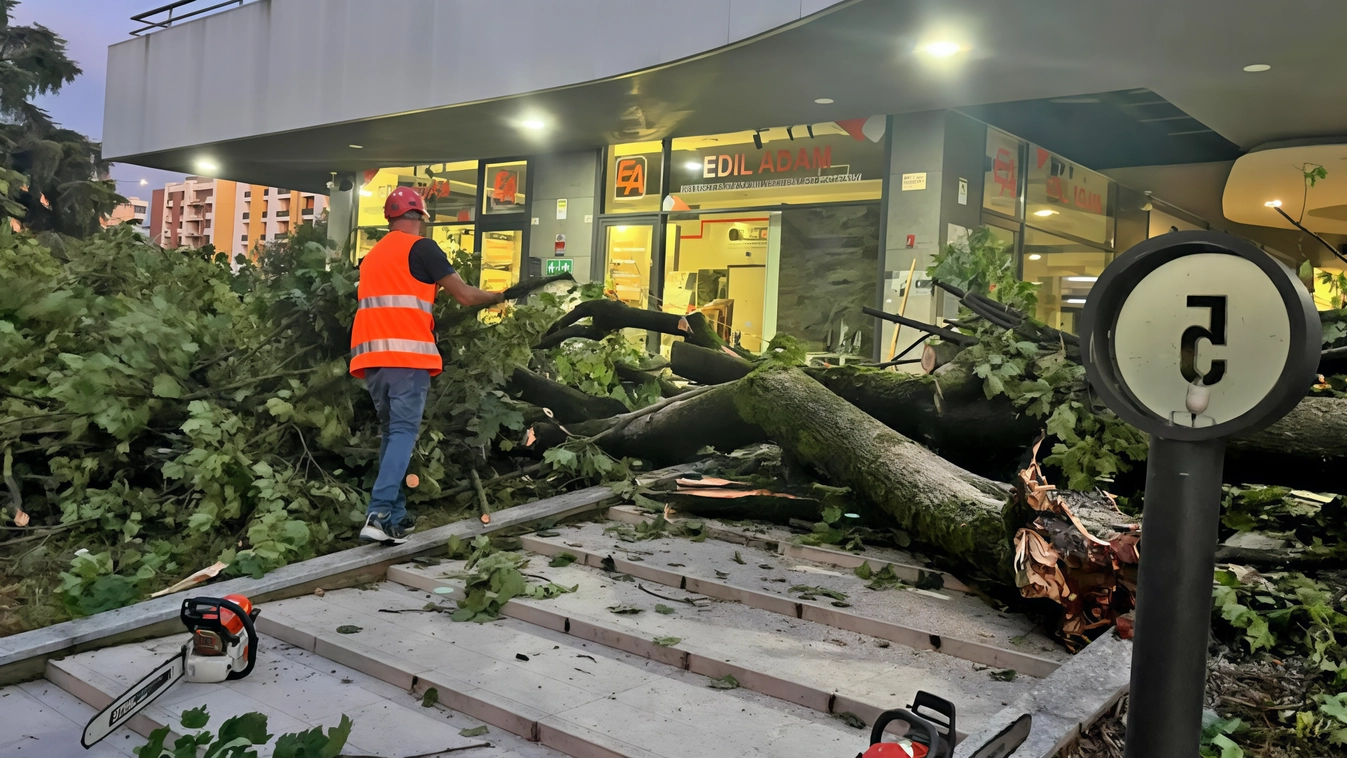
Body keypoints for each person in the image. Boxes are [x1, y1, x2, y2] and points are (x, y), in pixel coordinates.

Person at [349, 187, 502, 545]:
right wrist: (498, 296)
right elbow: (464, 295)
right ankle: (381, 510)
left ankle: (395, 518)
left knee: (391, 434)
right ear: (420, 218)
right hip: (407, 358)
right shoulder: (422, 248)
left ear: (391, 218)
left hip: (372, 360)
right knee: (402, 433)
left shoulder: (371, 258)